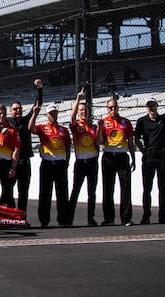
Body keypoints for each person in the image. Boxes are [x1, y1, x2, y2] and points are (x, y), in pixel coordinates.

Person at [28, 103, 71, 228]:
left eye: (55, 113)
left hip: (60, 164)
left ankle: (63, 219)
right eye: (51, 113)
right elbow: (31, 128)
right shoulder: (42, 128)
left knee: (62, 193)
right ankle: (44, 220)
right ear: (47, 115)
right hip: (47, 163)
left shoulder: (64, 130)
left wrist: (66, 161)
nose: (53, 115)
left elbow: (67, 146)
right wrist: (35, 114)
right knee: (45, 193)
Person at [98, 97, 136, 226]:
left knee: (126, 188)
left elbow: (131, 142)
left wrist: (134, 158)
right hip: (108, 156)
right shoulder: (103, 122)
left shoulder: (126, 122)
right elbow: (99, 141)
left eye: (114, 107)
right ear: (107, 109)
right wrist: (99, 128)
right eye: (110, 108)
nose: (113, 109)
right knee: (108, 188)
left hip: (122, 157)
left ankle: (126, 218)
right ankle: (109, 218)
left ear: (118, 107)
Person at [67, 89, 100, 227]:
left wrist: (100, 129)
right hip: (80, 162)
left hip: (93, 161)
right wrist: (78, 99)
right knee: (75, 190)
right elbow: (72, 117)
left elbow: (98, 143)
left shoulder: (94, 126)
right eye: (81, 110)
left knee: (92, 192)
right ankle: (69, 218)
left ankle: (91, 218)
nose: (83, 112)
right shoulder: (76, 126)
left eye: (85, 110)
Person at [9, 79, 43, 212]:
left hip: (24, 161)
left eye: (19, 109)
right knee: (8, 191)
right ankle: (11, 216)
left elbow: (37, 105)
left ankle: (22, 216)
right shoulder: (7, 123)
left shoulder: (25, 120)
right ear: (10, 111)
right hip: (11, 162)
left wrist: (40, 89)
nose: (17, 111)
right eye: (15, 109)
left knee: (23, 192)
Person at [135, 96, 165, 224]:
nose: (151, 108)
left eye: (153, 105)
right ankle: (146, 215)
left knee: (163, 188)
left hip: (162, 155)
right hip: (149, 156)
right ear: (146, 107)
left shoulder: (163, 119)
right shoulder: (142, 121)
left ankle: (163, 216)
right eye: (149, 106)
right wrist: (143, 151)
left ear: (157, 106)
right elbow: (136, 139)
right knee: (147, 188)